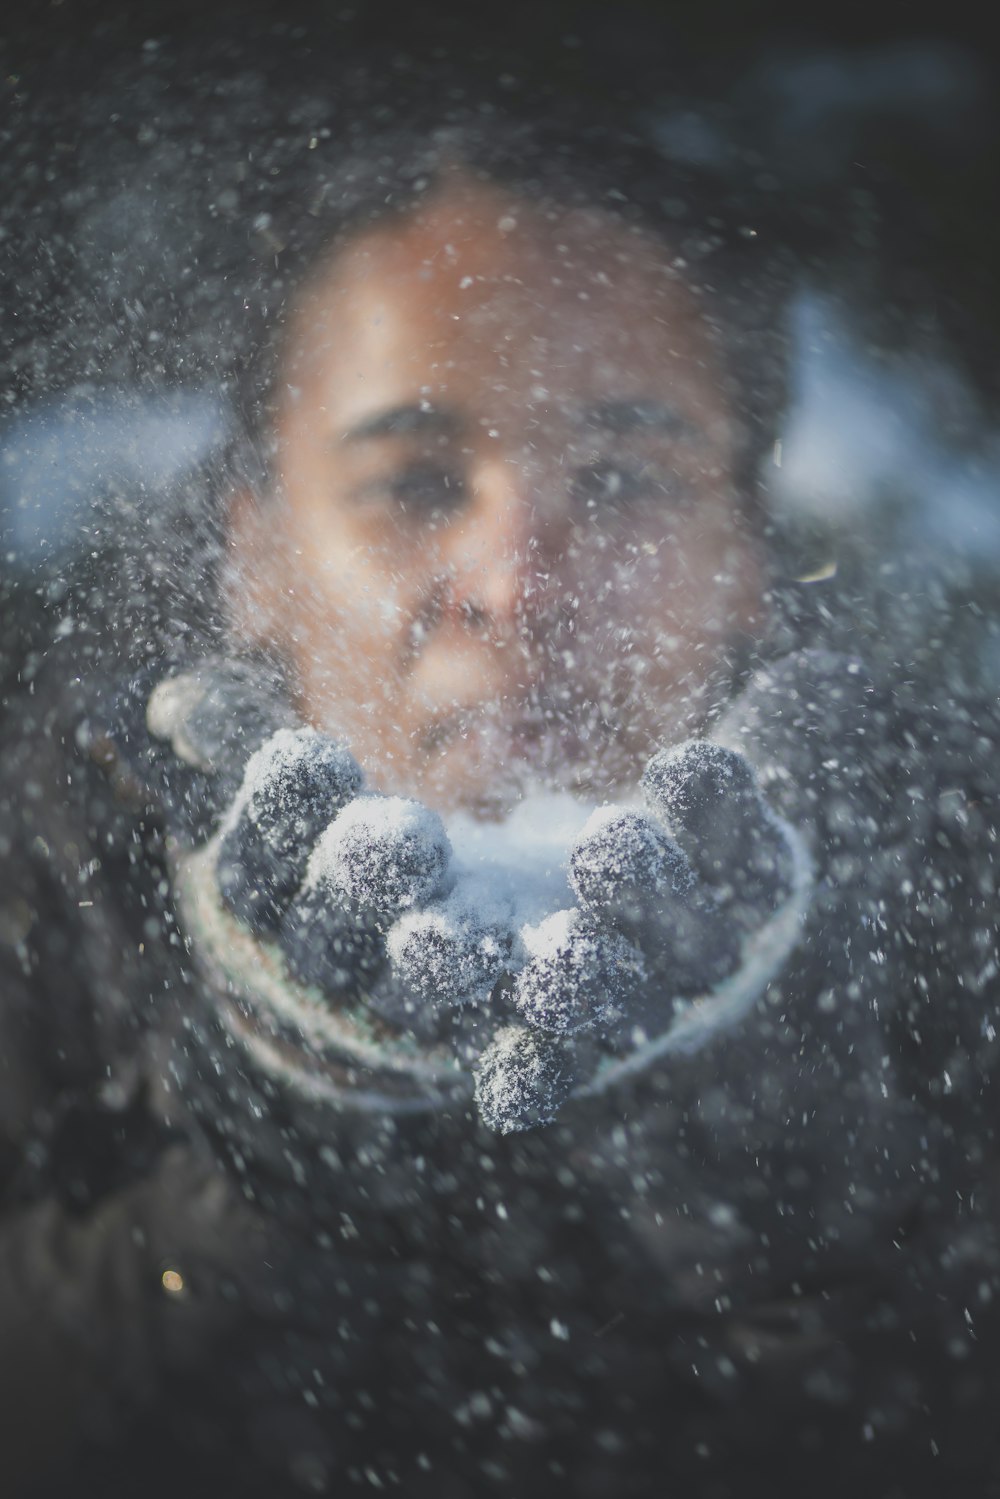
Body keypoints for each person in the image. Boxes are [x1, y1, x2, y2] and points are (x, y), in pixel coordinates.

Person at [2, 116, 1000, 1499]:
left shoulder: (955, 878)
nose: (522, 581)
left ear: (747, 556)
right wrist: (277, 1143)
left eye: (622, 479)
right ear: (256, 548)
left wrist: (781, 1163)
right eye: (413, 481)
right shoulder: (59, 864)